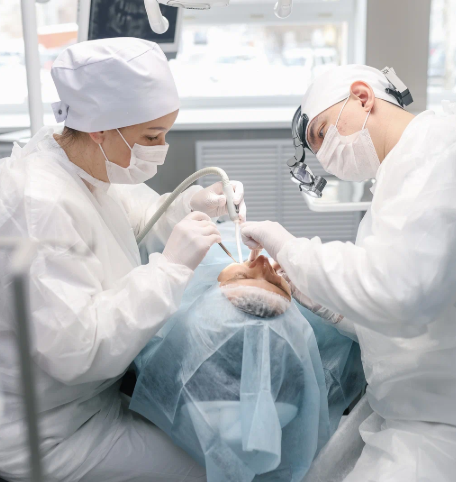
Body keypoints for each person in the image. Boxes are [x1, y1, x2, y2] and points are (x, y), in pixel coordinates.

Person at [0, 37, 247, 482]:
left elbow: (137, 215)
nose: (161, 148)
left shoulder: (77, 162)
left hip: (93, 400)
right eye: (151, 137)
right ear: (99, 129)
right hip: (56, 433)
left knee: (218, 437)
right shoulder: (39, 206)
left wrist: (193, 203)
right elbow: (78, 350)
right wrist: (169, 270)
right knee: (210, 471)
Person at [241, 64, 456, 482]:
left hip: (437, 420)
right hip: (409, 402)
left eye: (322, 133)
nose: (324, 155)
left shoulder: (437, 152)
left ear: (362, 97)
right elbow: (404, 304)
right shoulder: (402, 171)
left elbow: (401, 292)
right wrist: (324, 303)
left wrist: (289, 247)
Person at [129, 231, 365, 482]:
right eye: (273, 279)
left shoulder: (191, 329)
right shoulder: (299, 346)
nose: (263, 261)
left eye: (243, 275)